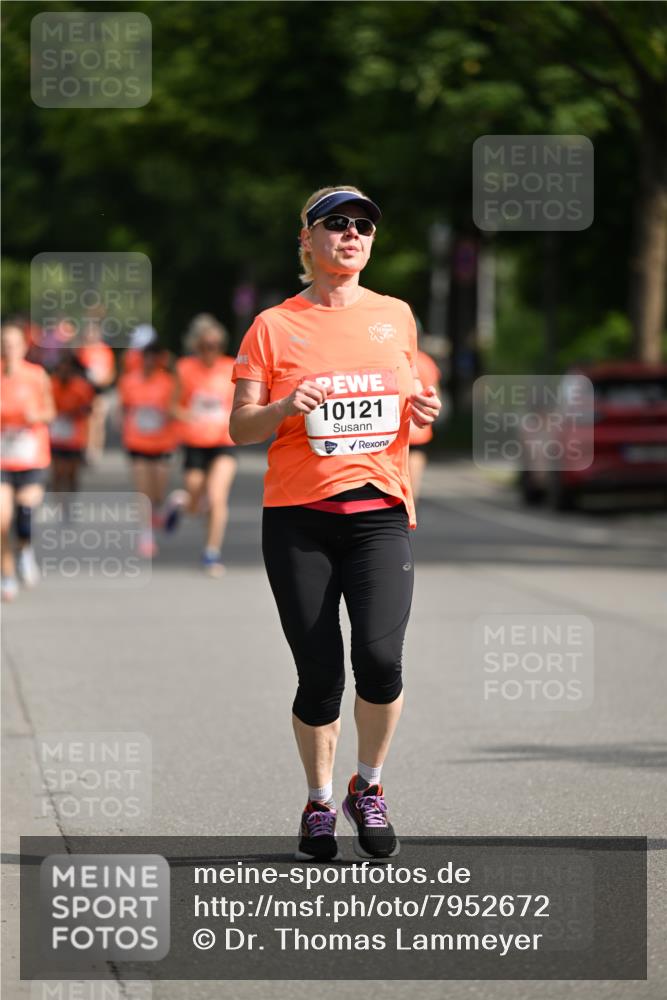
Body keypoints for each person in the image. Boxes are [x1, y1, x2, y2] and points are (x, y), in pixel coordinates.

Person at [230, 185, 440, 861]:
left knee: (379, 660)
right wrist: (285, 406)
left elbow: (407, 398)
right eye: (337, 223)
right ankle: (318, 802)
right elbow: (239, 427)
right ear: (307, 240)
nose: (352, 234)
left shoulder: (396, 316)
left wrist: (422, 411)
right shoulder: (272, 326)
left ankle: (367, 787)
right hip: (299, 521)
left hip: (379, 514)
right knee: (319, 677)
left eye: (364, 227)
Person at [164, 314, 237, 577]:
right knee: (196, 505)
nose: (210, 351)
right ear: (196, 346)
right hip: (194, 443)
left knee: (217, 497)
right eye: (205, 346)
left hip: (223, 442)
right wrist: (189, 415)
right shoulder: (184, 368)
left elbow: (242, 403)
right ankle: (183, 502)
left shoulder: (231, 368)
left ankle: (211, 552)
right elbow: (172, 407)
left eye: (215, 346)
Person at [1, 319, 56, 602]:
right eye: (4, 345)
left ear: (23, 347)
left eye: (13, 344)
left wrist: (37, 416)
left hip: (31, 457)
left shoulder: (36, 375)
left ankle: (24, 549)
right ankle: (7, 575)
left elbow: (50, 411)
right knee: (1, 520)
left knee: (24, 513)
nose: (8, 349)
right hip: (2, 460)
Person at [117, 340, 179, 558]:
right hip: (137, 442)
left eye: (155, 357)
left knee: (158, 493)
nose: (151, 361)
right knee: (143, 492)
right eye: (147, 356)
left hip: (162, 443)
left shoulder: (169, 382)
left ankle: (163, 510)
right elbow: (123, 408)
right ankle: (146, 536)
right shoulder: (128, 381)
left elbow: (175, 409)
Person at [49, 352, 96, 495]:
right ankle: (58, 502)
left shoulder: (82, 387)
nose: (64, 372)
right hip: (55, 435)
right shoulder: (51, 385)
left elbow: (89, 408)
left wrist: (76, 411)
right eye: (61, 369)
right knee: (57, 473)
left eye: (67, 369)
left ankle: (70, 501)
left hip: (75, 437)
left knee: (71, 474)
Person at [76, 318, 116, 463]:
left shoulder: (105, 351)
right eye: (88, 332)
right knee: (86, 420)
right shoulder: (81, 350)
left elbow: (111, 372)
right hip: (84, 392)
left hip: (100, 391)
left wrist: (102, 381)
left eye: (93, 332)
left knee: (98, 420)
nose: (90, 335)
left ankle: (95, 449)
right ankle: (85, 446)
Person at [409, 348, 442, 501]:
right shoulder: (426, 361)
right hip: (418, 429)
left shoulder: (391, 356)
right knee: (412, 486)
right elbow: (435, 395)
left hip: (394, 429)